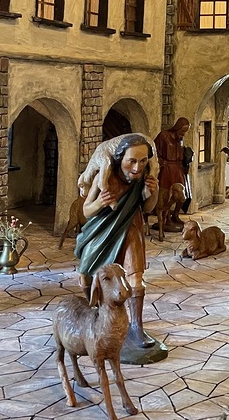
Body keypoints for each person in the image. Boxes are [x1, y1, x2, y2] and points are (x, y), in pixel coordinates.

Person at [74, 133, 159, 349]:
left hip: (130, 227)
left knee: (136, 278)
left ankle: (136, 328)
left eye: (143, 161)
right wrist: (100, 203)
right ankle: (97, 315)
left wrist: (152, 193)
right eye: (132, 161)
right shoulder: (105, 177)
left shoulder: (144, 177)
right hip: (101, 230)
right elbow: (86, 211)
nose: (137, 167)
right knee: (86, 274)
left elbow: (148, 209)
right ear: (120, 159)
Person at [153, 118, 190, 230]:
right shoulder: (164, 136)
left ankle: (175, 215)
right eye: (182, 131)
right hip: (167, 168)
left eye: (185, 132)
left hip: (178, 167)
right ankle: (167, 219)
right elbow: (154, 149)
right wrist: (159, 160)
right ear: (177, 128)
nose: (183, 134)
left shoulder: (180, 139)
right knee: (166, 193)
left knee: (182, 193)